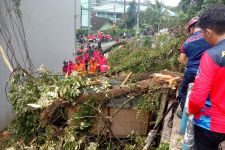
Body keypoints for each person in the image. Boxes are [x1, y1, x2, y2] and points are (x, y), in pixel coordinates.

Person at [187, 5, 225, 150]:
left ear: (208, 32)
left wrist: (190, 109)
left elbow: (198, 98)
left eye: (203, 33)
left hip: (211, 124)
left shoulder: (212, 55)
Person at [177, 16, 211, 117]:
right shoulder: (210, 36)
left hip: (191, 72)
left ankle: (184, 111)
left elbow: (181, 60)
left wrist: (191, 65)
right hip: (208, 72)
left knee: (184, 91)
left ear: (191, 29)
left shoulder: (187, 42)